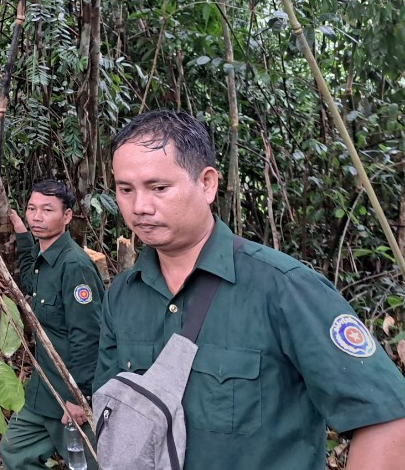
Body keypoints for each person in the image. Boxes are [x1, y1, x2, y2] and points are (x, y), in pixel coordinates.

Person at [96, 110, 405, 469]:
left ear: (208, 183)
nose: (139, 207)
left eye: (159, 188)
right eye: (125, 190)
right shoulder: (122, 295)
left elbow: (386, 420)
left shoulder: (284, 288)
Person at [0, 180, 103, 470]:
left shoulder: (75, 266)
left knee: (88, 464)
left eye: (47, 210)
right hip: (41, 391)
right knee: (13, 451)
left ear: (67, 216)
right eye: (32, 209)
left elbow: (89, 336)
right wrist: (21, 236)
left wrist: (80, 398)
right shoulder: (43, 258)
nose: (37, 217)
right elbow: (32, 285)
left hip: (67, 395)